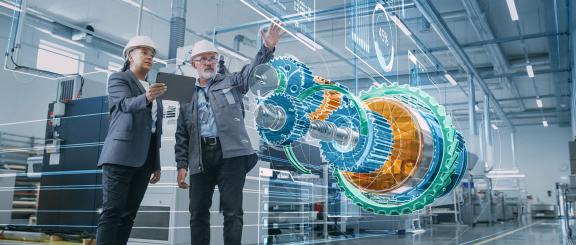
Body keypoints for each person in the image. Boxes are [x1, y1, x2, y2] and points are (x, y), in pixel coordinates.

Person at [175, 22, 285, 245]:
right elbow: (182, 133)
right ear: (194, 63)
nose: (208, 62)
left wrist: (267, 49)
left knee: (233, 212)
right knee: (197, 213)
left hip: (231, 155)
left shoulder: (231, 81)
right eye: (203, 59)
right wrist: (181, 164)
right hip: (200, 158)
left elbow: (251, 73)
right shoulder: (186, 94)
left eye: (212, 58)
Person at [96, 35, 167, 245]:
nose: (150, 57)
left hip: (144, 161)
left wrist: (156, 163)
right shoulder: (119, 79)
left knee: (129, 214)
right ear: (130, 55)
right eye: (144, 52)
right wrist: (147, 97)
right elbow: (125, 105)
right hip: (120, 157)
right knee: (112, 211)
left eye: (152, 54)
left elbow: (154, 130)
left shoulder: (154, 87)